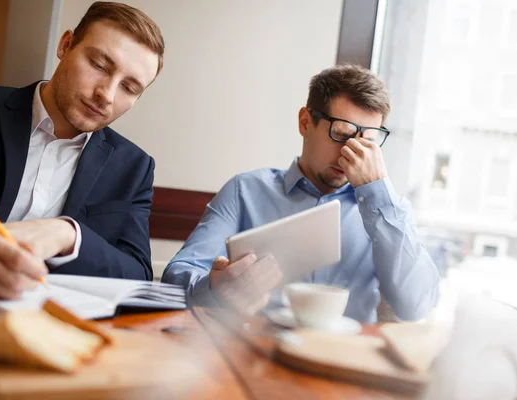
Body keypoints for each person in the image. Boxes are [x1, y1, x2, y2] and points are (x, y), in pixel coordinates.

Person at [162, 64, 439, 322]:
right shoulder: (244, 191)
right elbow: (175, 279)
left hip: (340, 364)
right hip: (249, 358)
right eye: (341, 134)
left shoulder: (387, 211)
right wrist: (215, 288)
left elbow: (416, 305)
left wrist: (377, 192)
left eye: (367, 142)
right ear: (305, 122)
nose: (350, 154)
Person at [0, 2, 164, 301]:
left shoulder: (134, 167)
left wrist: (69, 235)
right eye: (100, 66)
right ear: (66, 45)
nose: (106, 94)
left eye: (129, 88)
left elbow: (138, 277)